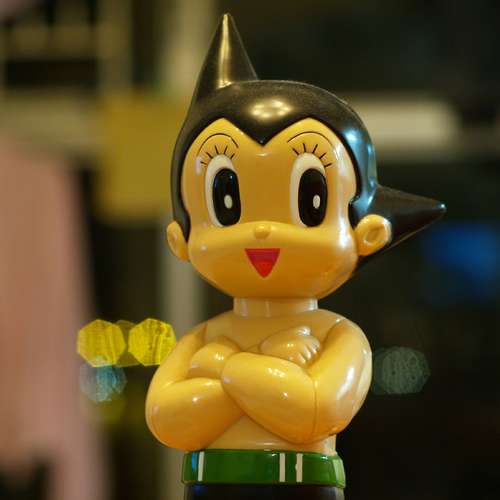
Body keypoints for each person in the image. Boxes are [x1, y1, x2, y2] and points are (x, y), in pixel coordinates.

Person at [146, 13, 445, 500]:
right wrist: (270, 373)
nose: (262, 232)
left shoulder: (339, 337)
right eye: (227, 204)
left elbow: (314, 409)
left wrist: (227, 366)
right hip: (211, 488)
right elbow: (167, 419)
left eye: (310, 203)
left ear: (367, 233)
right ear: (181, 238)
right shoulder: (202, 336)